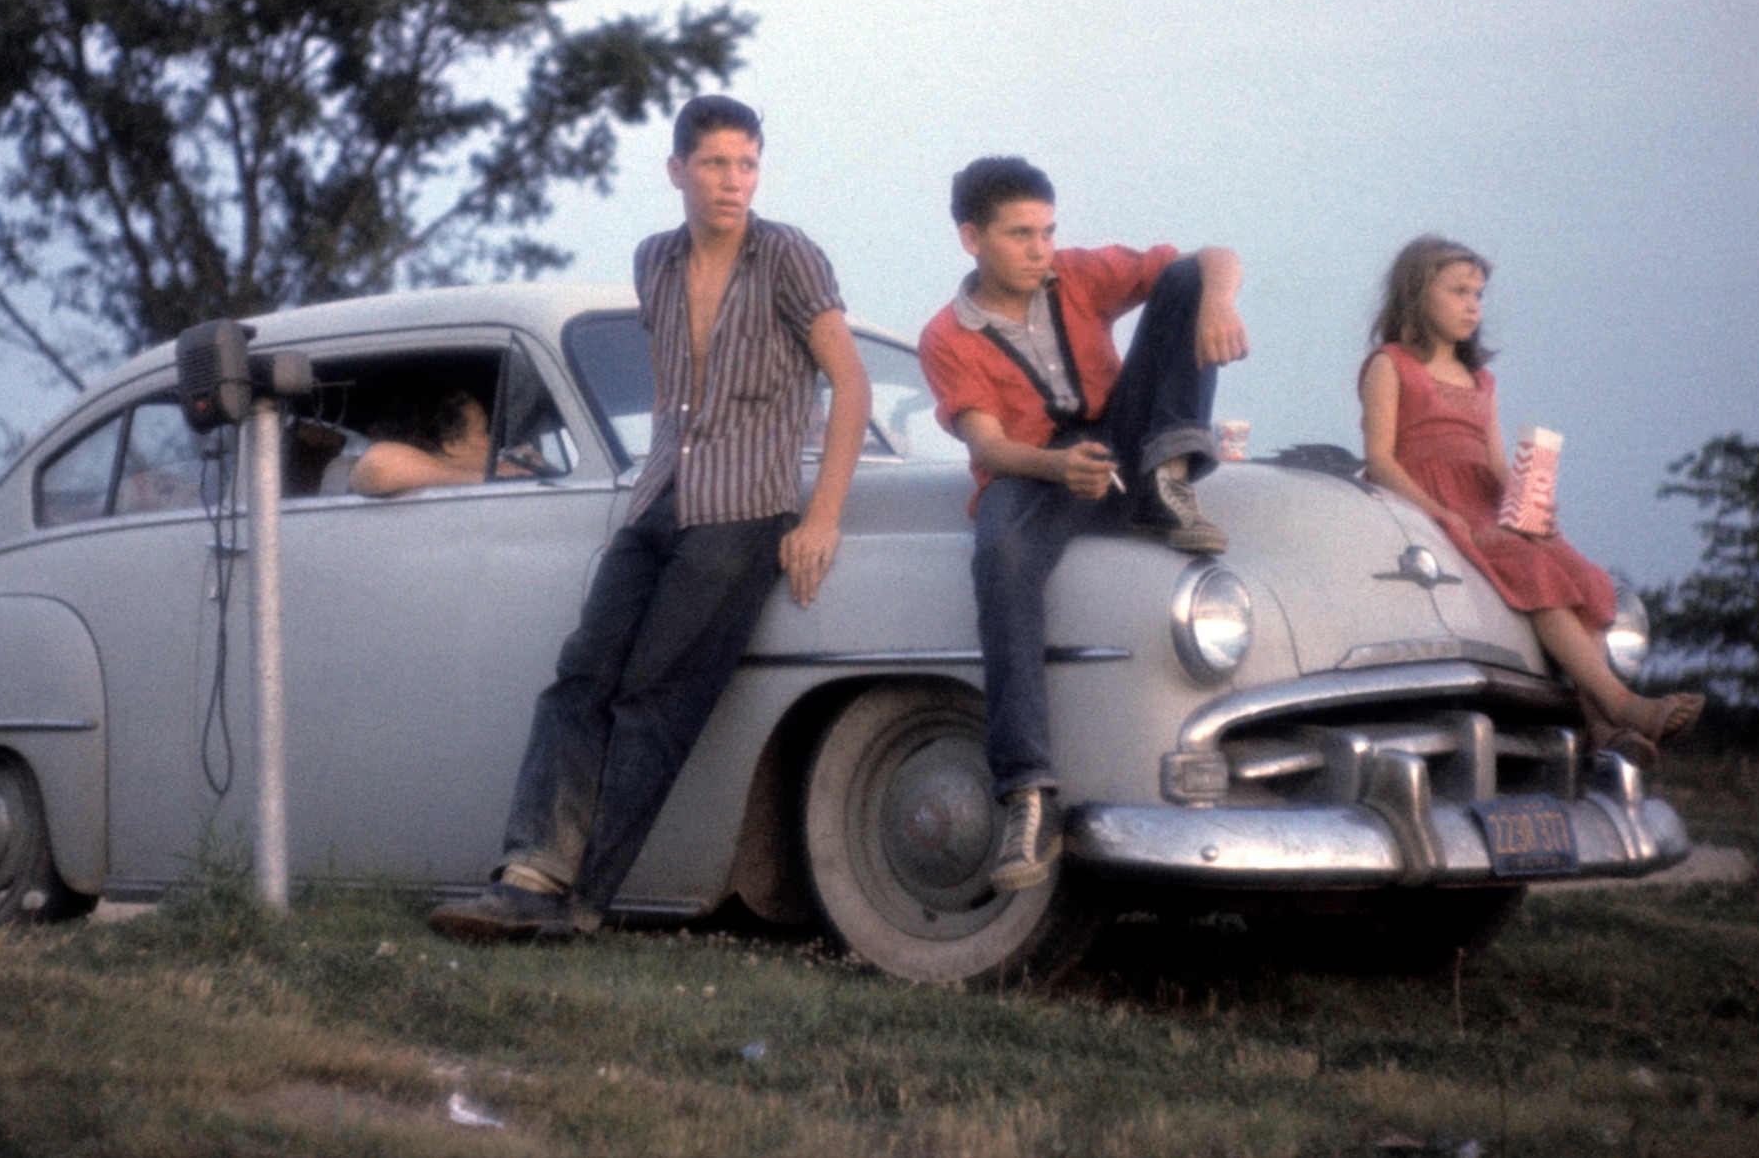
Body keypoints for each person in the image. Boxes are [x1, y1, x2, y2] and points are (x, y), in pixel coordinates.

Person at [429, 94, 871, 941]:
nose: (733, 181)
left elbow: (849, 382)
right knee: (579, 675)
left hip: (744, 508)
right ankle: (527, 878)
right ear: (677, 171)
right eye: (715, 163)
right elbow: (674, 394)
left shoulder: (788, 256)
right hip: (659, 496)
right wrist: (638, 495)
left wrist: (821, 518)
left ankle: (582, 903)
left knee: (653, 695)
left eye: (747, 164)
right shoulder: (654, 261)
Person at [918, 156, 1248, 893]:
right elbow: (988, 447)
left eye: (1047, 231)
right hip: (1033, 468)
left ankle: (1165, 480)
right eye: (1020, 235)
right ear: (972, 238)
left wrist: (1218, 301)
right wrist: (1058, 468)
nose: (1040, 250)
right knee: (1001, 558)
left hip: (1124, 440)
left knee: (1185, 279)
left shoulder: (1075, 274)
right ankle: (1028, 795)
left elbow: (1212, 257)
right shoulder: (945, 335)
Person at [1358, 235, 1702, 765]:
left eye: (1478, 294)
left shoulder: (1480, 378)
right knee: (1532, 570)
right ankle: (1623, 705)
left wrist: (1531, 507)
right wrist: (1441, 513)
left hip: (1485, 502)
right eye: (1458, 292)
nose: (1473, 306)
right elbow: (1381, 459)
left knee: (1581, 574)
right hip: (1425, 503)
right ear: (1417, 294)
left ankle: (1601, 730)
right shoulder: (1392, 364)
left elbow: (1496, 464)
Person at [348, 390, 515, 496]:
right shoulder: (421, 489)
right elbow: (379, 461)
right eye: (483, 431)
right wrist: (489, 479)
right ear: (451, 444)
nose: (492, 440)